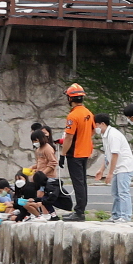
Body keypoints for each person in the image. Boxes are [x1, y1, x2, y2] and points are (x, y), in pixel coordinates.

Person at [56, 84, 95, 222]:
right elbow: (91, 132)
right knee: (82, 182)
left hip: (75, 153)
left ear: (70, 98)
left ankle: (79, 212)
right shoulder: (89, 113)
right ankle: (80, 210)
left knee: (78, 183)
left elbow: (69, 137)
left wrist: (62, 155)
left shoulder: (72, 116)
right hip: (85, 152)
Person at [91, 112, 133, 224]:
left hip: (124, 167)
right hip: (117, 168)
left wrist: (110, 173)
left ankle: (126, 216)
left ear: (102, 124)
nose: (95, 128)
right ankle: (116, 215)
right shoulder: (105, 135)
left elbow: (115, 155)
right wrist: (101, 170)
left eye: (95, 125)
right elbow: (108, 155)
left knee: (123, 192)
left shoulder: (113, 135)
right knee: (115, 193)